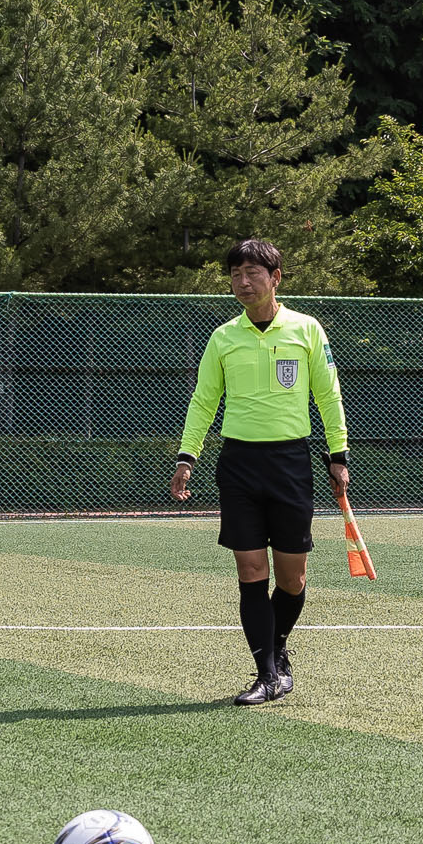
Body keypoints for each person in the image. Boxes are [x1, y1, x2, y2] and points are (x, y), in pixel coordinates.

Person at [172, 239, 351, 706]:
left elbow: (328, 396)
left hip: (291, 464)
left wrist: (339, 454)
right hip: (239, 466)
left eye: (252, 273)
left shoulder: (307, 330)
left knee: (292, 579)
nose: (243, 282)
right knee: (251, 570)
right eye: (235, 274)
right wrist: (186, 457)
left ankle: (278, 649)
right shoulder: (223, 337)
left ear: (275, 278)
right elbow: (203, 400)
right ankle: (268, 674)